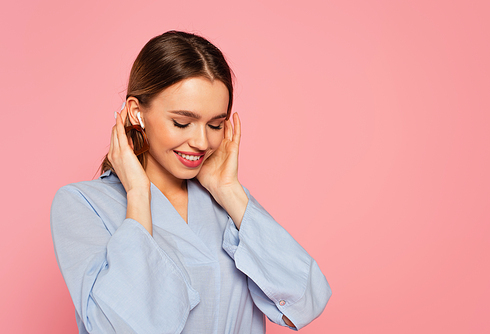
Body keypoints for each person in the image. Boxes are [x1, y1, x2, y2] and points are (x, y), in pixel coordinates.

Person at [51, 30, 331, 334]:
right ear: (136, 114)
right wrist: (138, 194)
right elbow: (125, 327)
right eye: (182, 122)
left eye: (214, 125)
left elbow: (303, 304)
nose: (201, 142)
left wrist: (230, 191)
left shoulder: (227, 204)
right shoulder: (82, 205)